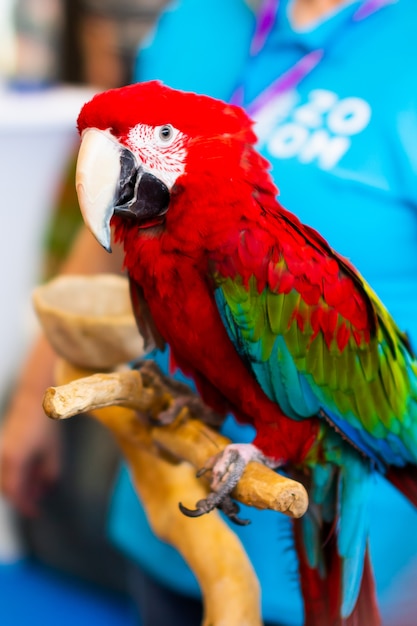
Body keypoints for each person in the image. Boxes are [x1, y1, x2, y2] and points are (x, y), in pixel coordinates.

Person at [2, 0, 417, 624]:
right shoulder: (195, 18)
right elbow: (99, 242)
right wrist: (33, 397)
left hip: (357, 465)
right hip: (169, 511)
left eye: (162, 137)